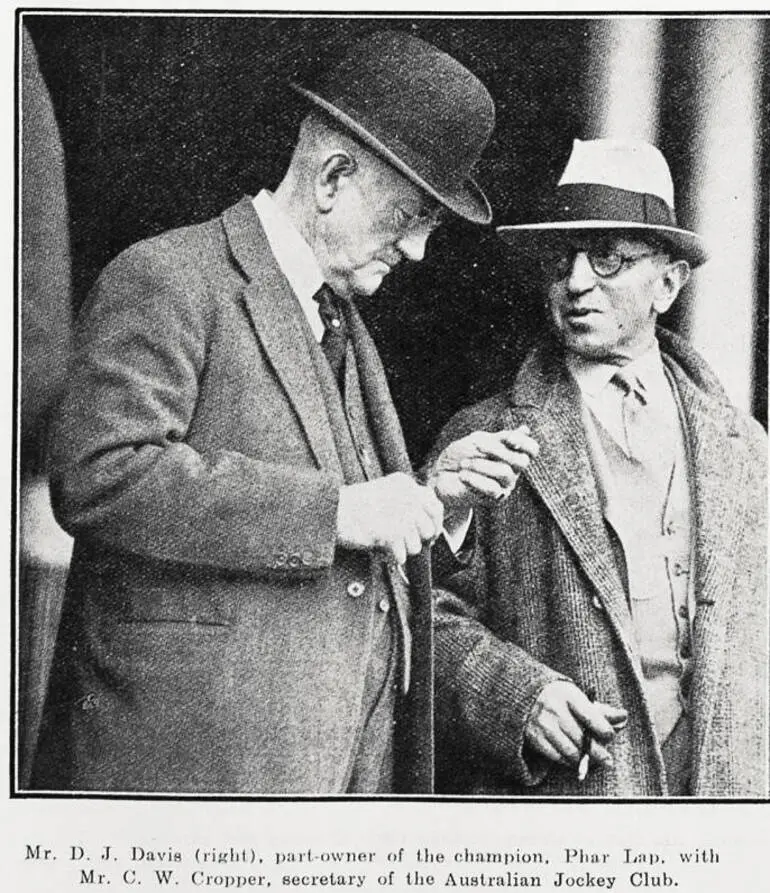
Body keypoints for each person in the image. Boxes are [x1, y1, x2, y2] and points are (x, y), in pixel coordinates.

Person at [31, 30, 499, 795]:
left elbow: (355, 531)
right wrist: (340, 511)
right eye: (409, 215)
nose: (416, 250)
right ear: (333, 177)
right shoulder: (169, 277)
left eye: (431, 227)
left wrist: (431, 495)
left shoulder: (345, 324)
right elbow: (97, 474)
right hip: (192, 789)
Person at [428, 138, 768, 797]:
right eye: (562, 259)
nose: (578, 280)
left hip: (724, 799)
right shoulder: (483, 435)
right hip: (570, 802)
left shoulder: (746, 449)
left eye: (608, 257)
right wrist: (517, 697)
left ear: (668, 282)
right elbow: (414, 616)